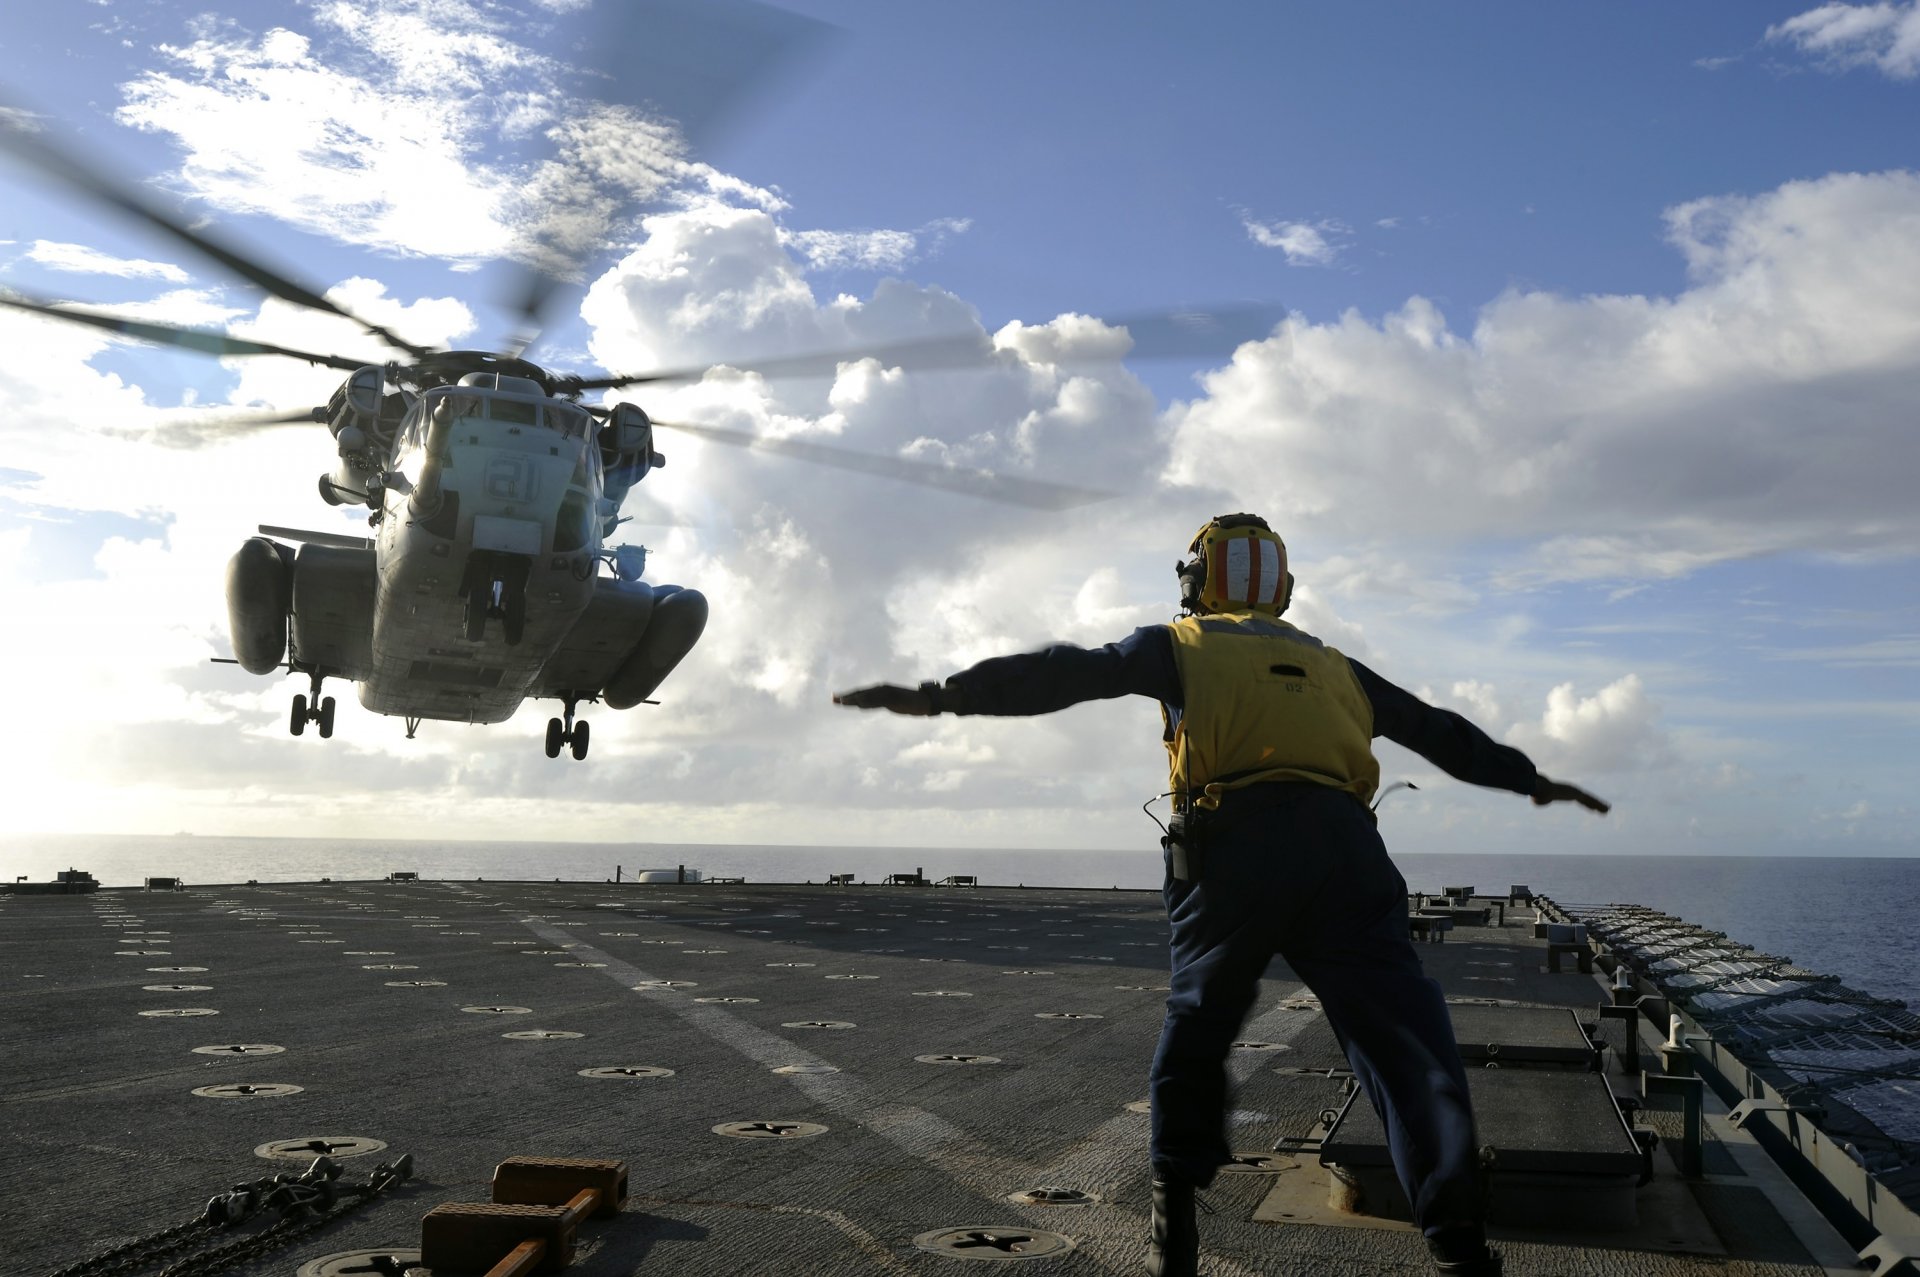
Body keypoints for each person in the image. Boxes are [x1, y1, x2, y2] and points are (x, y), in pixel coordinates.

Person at [834, 514, 1610, 1277]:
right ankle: (1459, 1247)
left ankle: (1173, 1223)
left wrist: (942, 695)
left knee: (1200, 1024)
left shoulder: (1180, 645)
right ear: (1283, 587)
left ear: (1197, 579)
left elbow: (1066, 671)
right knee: (1406, 1043)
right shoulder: (1336, 665)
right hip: (1348, 852)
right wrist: (1530, 779)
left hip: (1234, 844)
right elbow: (1439, 731)